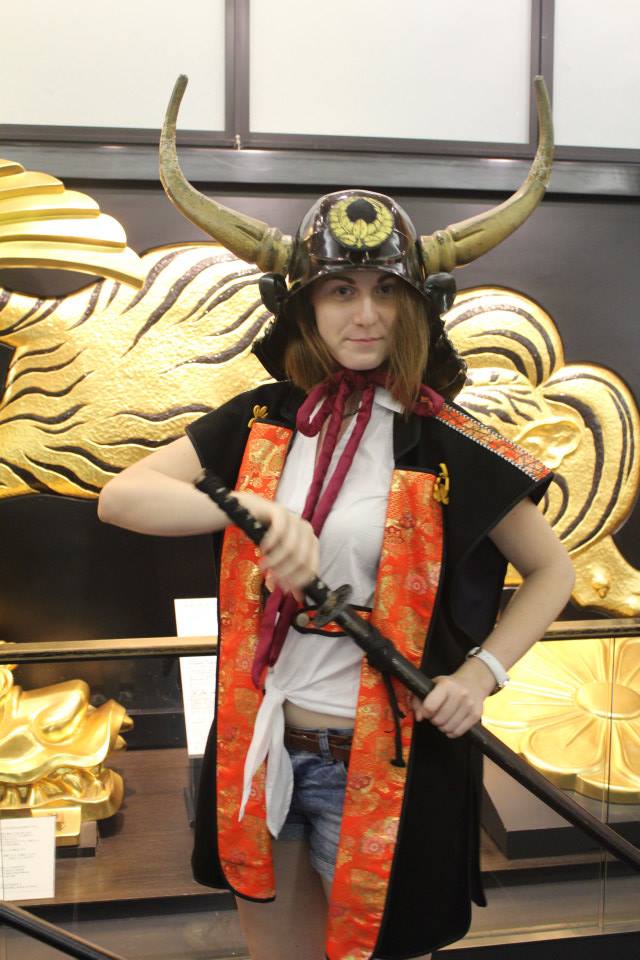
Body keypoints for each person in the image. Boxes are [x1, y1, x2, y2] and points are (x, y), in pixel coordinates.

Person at [98, 80, 575, 960]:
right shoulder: (261, 421)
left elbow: (554, 572)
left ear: (416, 303)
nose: (365, 313)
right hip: (264, 746)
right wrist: (250, 508)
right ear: (305, 306)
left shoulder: (446, 441)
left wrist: (482, 675)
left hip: (387, 760)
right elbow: (121, 497)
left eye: (387, 290)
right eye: (340, 290)